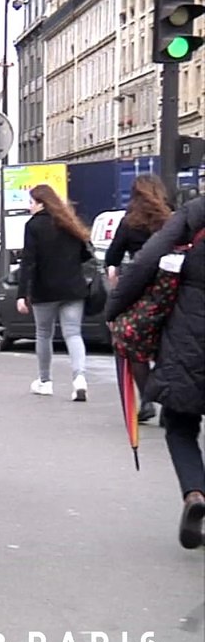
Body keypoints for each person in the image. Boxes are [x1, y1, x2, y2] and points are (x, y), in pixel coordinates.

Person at [105, 196, 205, 549]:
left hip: (189, 336)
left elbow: (147, 260)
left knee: (180, 425)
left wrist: (114, 308)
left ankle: (195, 493)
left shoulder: (194, 213)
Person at [15, 184, 93, 401]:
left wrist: (22, 294)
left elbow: (28, 262)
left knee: (43, 334)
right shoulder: (69, 221)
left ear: (41, 203)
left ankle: (45, 381)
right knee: (73, 333)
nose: (29, 207)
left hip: (45, 289)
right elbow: (86, 253)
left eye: (31, 202)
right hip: (72, 287)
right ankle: (79, 379)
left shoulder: (34, 226)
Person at [107, 174, 173, 422]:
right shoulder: (172, 218)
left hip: (140, 292)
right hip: (171, 289)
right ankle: (169, 404)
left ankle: (147, 399)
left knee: (134, 346)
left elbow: (112, 257)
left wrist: (115, 275)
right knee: (169, 347)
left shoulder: (129, 222)